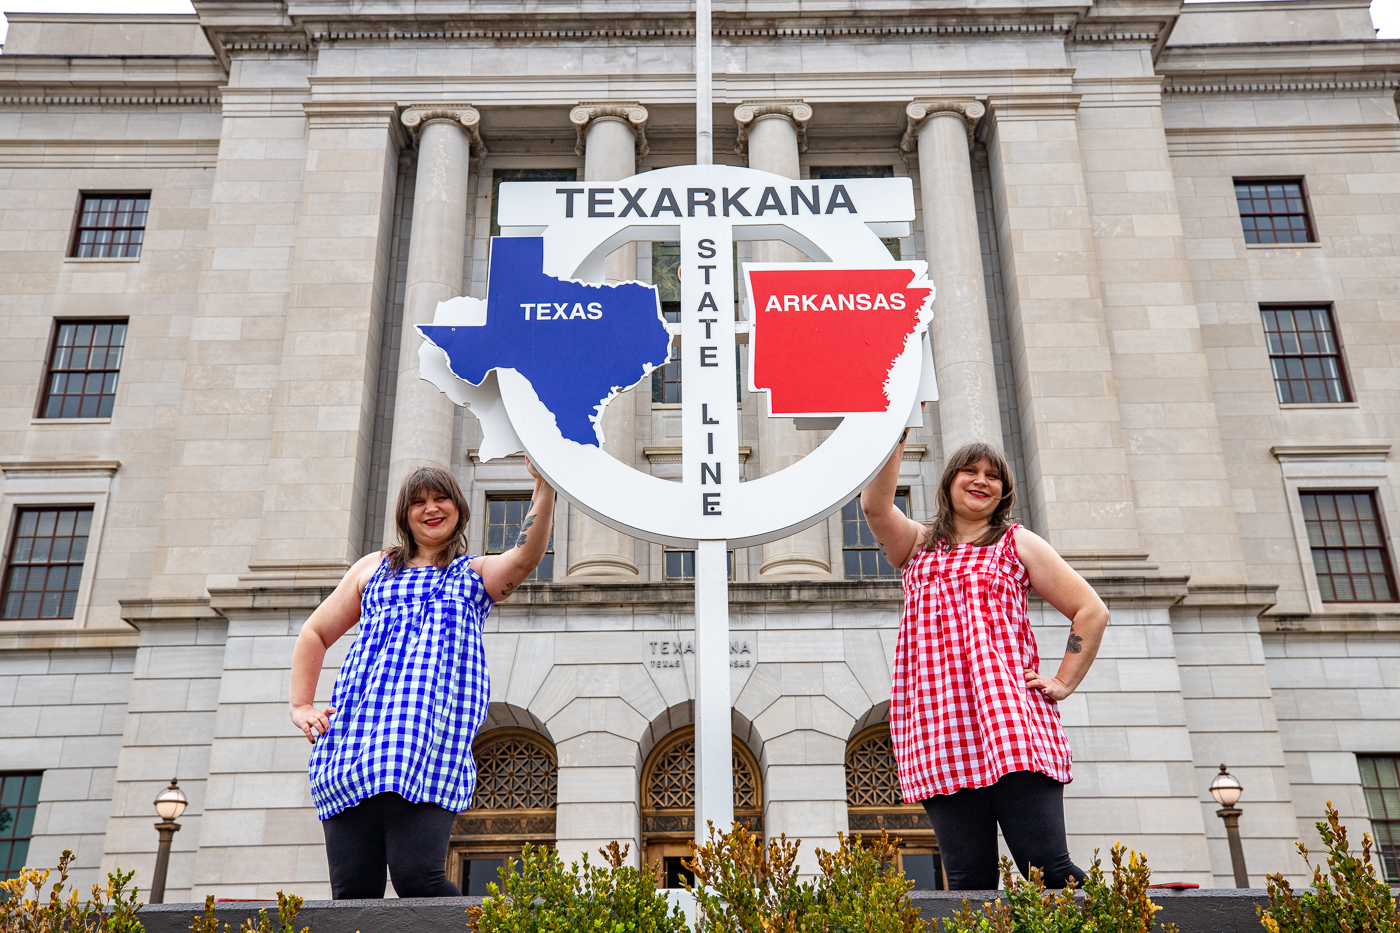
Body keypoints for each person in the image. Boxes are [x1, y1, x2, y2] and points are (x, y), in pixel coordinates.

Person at [288, 462, 555, 899]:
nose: (430, 509)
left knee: (419, 879)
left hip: (428, 747)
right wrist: (302, 706)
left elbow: (525, 556)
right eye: (418, 502)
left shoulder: (473, 575)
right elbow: (314, 633)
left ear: (458, 508)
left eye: (440, 499)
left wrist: (544, 486)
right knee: (353, 892)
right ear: (404, 515)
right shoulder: (371, 569)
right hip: (354, 745)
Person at [859, 435, 1109, 890]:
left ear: (1004, 490)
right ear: (949, 481)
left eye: (993, 476)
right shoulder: (917, 544)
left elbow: (1091, 610)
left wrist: (1063, 682)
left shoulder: (1018, 543)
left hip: (1009, 723)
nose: (981, 481)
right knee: (968, 882)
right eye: (970, 471)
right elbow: (876, 507)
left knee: (1048, 868)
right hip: (940, 730)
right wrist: (895, 432)